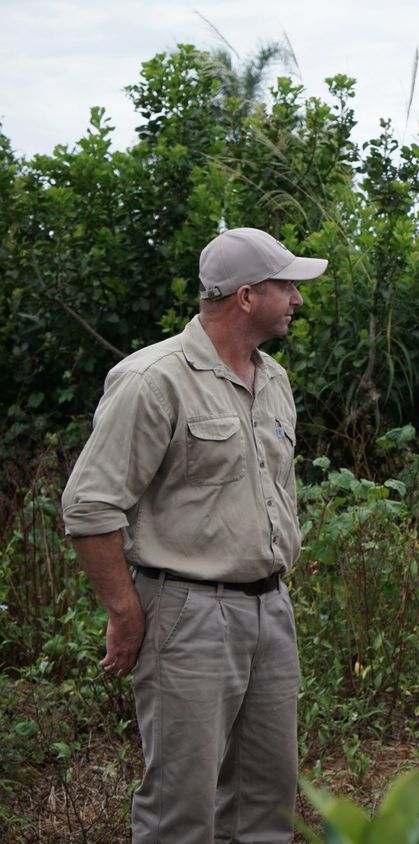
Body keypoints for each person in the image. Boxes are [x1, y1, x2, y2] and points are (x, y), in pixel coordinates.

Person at [60, 227, 324, 842]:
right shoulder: (154, 379)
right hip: (187, 615)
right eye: (287, 286)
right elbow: (89, 507)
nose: (298, 299)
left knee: (268, 801)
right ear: (247, 296)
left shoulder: (275, 379)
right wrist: (126, 612)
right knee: (180, 809)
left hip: (270, 610)